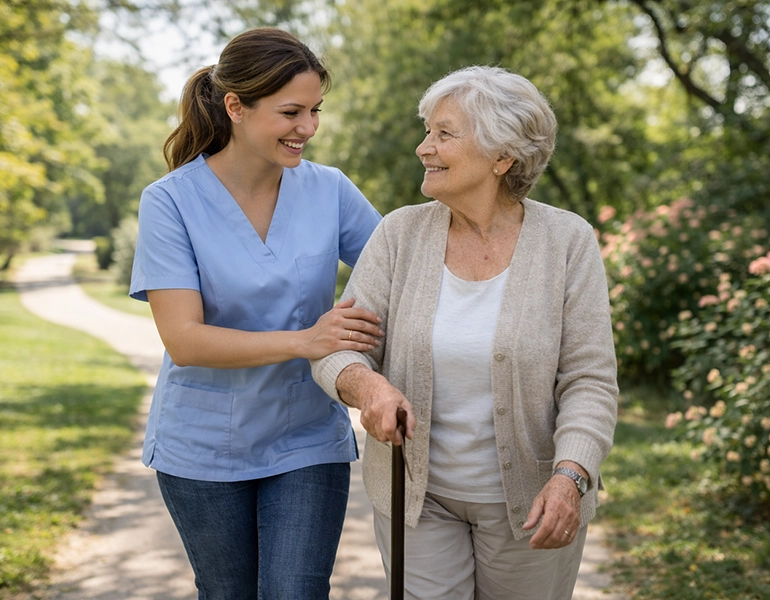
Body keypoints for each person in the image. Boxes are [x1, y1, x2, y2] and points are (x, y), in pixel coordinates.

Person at [311, 65, 619, 599]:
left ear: (503, 157)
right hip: (417, 497)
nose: (423, 147)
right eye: (427, 131)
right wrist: (368, 387)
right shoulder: (399, 234)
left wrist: (571, 476)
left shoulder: (567, 241)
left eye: (444, 133)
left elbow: (589, 380)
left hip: (534, 501)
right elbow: (338, 349)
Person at [129, 27, 384, 599]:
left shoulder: (330, 190)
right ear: (235, 107)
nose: (308, 128)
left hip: (306, 437)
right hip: (202, 448)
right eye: (291, 112)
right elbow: (184, 340)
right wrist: (304, 341)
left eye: (315, 111)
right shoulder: (169, 202)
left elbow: (403, 272)